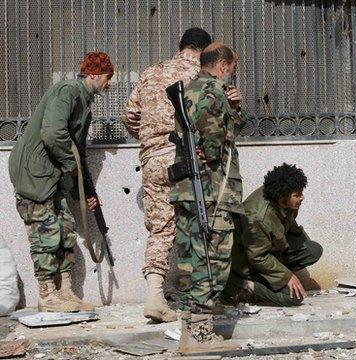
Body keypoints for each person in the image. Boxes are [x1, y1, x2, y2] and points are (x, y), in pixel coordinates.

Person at [8, 52, 114, 312]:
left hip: (53, 175)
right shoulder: (67, 91)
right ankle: (46, 295)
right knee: (46, 233)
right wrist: (71, 167)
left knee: (66, 229)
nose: (110, 84)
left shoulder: (84, 101)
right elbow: (53, 133)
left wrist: (84, 191)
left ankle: (64, 291)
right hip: (34, 174)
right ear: (93, 74)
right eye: (108, 77)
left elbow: (77, 149)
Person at [122, 28, 212, 323]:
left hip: (152, 160)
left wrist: (149, 139)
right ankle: (200, 294)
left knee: (160, 229)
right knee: (198, 223)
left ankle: (155, 296)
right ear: (204, 49)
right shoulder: (203, 73)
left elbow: (129, 116)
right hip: (186, 156)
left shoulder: (150, 73)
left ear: (181, 46)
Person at [170, 42, 246, 352]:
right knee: (212, 259)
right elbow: (215, 145)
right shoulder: (214, 93)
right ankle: (201, 337)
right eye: (233, 70)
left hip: (188, 190)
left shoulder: (188, 89)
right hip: (211, 190)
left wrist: (235, 111)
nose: (232, 76)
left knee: (191, 259)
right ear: (224, 65)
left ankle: (191, 332)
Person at [221, 163, 323, 307]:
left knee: (313, 250)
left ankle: (270, 281)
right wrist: (286, 276)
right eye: (297, 195)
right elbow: (257, 257)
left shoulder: (284, 198)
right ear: (282, 198)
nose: (302, 198)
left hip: (272, 253)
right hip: (249, 263)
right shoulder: (258, 217)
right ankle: (242, 284)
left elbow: (291, 227)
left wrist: (285, 272)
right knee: (294, 298)